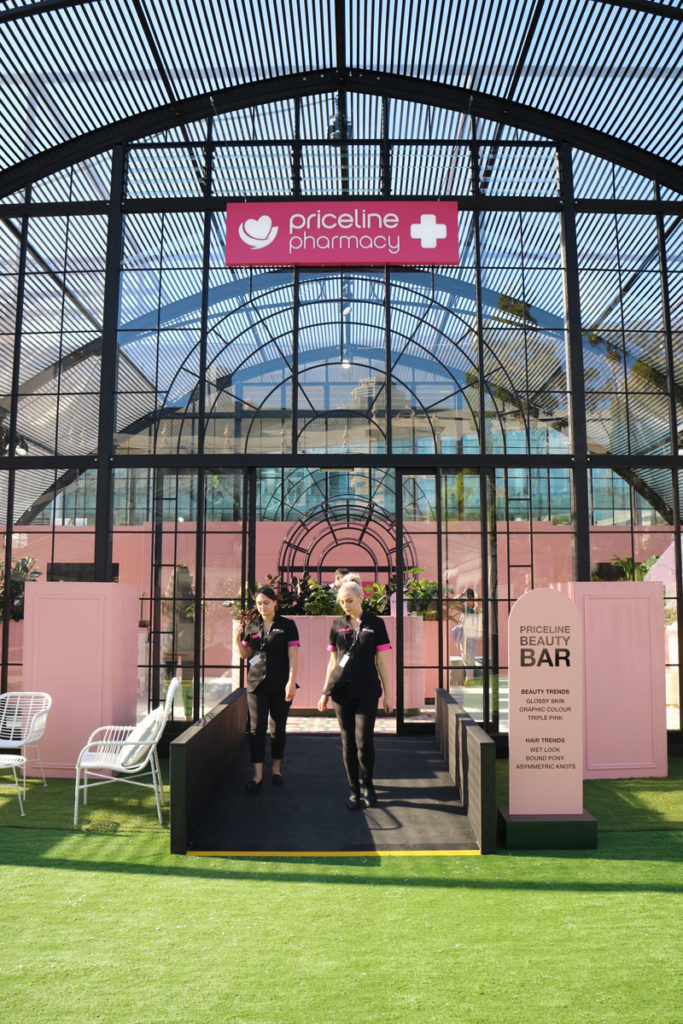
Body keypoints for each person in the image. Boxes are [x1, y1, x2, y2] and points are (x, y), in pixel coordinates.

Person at [317, 578, 392, 810]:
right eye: (341, 601)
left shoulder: (376, 623)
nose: (345, 605)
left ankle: (368, 785)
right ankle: (354, 791)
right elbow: (332, 663)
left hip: (368, 690)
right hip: (341, 691)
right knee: (347, 741)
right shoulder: (336, 624)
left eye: (349, 600)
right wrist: (324, 693)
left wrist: (390, 694)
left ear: (361, 597)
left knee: (364, 741)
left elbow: (382, 661)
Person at [239, 585, 300, 792]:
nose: (263, 606)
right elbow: (246, 656)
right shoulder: (252, 626)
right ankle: (256, 775)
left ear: (275, 602)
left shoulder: (287, 625)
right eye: (259, 603)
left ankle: (276, 770)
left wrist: (291, 681)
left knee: (278, 728)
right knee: (256, 730)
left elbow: (293, 656)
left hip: (281, 683)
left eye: (266, 602)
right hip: (256, 684)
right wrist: (236, 637)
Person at [161, 564, 195, 719]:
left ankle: (167, 715)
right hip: (187, 639)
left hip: (170, 640)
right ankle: (189, 716)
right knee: (188, 678)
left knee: (168, 677)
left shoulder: (167, 598)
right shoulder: (190, 597)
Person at [453, 587, 482, 683]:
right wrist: (462, 594)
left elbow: (478, 604)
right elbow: (454, 601)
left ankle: (470, 678)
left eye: (470, 599)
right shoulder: (465, 609)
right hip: (463, 635)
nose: (468, 601)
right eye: (467, 599)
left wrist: (475, 595)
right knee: (465, 656)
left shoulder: (475, 609)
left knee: (470, 656)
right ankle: (469, 678)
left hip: (472, 635)